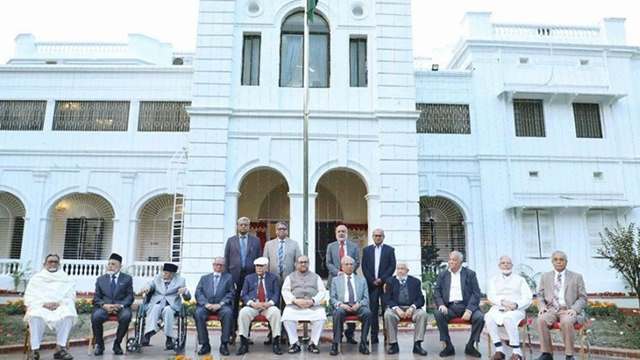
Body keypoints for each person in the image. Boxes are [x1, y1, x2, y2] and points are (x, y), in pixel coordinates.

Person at [535, 251, 587, 360]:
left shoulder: (576, 277)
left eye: (561, 259)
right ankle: (547, 354)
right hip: (551, 309)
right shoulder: (545, 276)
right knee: (541, 320)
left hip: (568, 309)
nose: (558, 262)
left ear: (566, 262)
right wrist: (542, 307)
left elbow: (583, 298)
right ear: (552, 262)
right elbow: (539, 295)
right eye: (556, 259)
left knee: (567, 321)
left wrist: (574, 309)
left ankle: (569, 355)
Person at [24, 254, 78, 360]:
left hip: (60, 306)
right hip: (40, 306)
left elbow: (71, 296)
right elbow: (29, 296)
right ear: (44, 264)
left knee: (68, 315)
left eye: (55, 262)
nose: (53, 264)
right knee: (35, 316)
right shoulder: (36, 278)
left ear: (59, 264)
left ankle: (60, 349)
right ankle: (34, 350)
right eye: (50, 261)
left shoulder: (66, 278)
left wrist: (59, 303)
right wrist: (43, 304)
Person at [433, 250, 484, 358]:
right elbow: (437, 291)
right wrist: (441, 304)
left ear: (460, 262)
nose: (451, 262)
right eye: (450, 259)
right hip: (449, 307)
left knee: (479, 317)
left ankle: (470, 345)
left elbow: (476, 293)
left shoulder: (470, 274)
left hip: (466, 306)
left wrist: (469, 310)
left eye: (454, 260)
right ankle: (448, 346)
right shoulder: (443, 275)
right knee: (438, 314)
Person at [485, 256, 532, 360]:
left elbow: (528, 297)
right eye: (503, 263)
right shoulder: (493, 280)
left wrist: (515, 305)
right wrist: (502, 302)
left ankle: (516, 352)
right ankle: (499, 350)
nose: (506, 265)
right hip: (499, 307)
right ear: (499, 265)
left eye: (508, 263)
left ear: (512, 265)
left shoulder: (520, 280)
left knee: (508, 318)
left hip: (516, 309)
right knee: (488, 317)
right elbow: (491, 296)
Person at [262, 221, 301, 344]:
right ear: (275, 231)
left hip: (288, 280)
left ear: (287, 230)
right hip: (272, 280)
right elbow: (265, 262)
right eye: (279, 229)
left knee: (287, 307)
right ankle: (272, 334)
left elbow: (298, 262)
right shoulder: (269, 244)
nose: (281, 231)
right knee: (272, 306)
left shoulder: (294, 244)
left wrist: (295, 278)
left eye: (284, 229)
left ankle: (285, 334)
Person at [225, 216, 262, 342]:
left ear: (249, 226)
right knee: (233, 306)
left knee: (249, 306)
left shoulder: (255, 241)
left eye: (246, 225)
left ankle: (246, 335)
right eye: (241, 224)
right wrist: (227, 278)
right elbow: (226, 259)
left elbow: (259, 259)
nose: (243, 227)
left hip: (250, 277)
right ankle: (232, 333)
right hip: (234, 278)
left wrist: (257, 277)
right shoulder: (231, 241)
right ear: (237, 226)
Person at [281, 255, 328, 354]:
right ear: (296, 264)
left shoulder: (316, 277)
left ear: (309, 264)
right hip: (295, 305)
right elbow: (285, 291)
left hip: (312, 305)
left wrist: (313, 301)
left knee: (321, 316)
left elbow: (322, 291)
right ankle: (294, 343)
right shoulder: (290, 277)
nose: (303, 264)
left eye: (305, 262)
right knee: (287, 316)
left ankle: (313, 343)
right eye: (301, 262)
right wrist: (295, 300)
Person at [236, 257, 283, 355]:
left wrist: (268, 304)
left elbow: (276, 294)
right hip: (253, 306)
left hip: (268, 306)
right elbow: (244, 294)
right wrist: (252, 303)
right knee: (243, 312)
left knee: (276, 312)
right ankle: (244, 343)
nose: (259, 268)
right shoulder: (248, 278)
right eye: (257, 266)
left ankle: (276, 342)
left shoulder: (273, 278)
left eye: (261, 266)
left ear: (266, 267)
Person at [140, 263, 190, 351]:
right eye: (164, 272)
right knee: (155, 308)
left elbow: (187, 298)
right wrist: (146, 288)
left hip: (171, 305)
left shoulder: (180, 280)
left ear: (172, 274)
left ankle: (169, 338)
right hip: (157, 303)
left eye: (166, 273)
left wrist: (185, 292)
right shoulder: (157, 278)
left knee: (168, 311)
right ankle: (148, 334)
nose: (164, 274)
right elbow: (150, 285)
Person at [91, 253, 134, 356]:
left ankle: (117, 344)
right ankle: (100, 345)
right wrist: (104, 305)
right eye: (109, 264)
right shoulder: (100, 279)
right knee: (96, 317)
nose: (110, 266)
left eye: (113, 264)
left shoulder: (127, 279)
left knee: (126, 316)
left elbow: (130, 297)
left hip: (121, 307)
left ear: (120, 266)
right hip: (104, 307)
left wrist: (121, 305)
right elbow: (96, 298)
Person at [383, 262, 428, 356]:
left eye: (402, 269)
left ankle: (417, 344)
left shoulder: (415, 281)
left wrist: (412, 307)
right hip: (396, 308)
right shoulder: (390, 281)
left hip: (411, 308)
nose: (400, 271)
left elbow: (420, 299)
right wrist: (396, 309)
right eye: (398, 269)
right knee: (388, 315)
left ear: (407, 271)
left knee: (422, 314)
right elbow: (387, 298)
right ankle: (393, 344)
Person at [329, 256, 371, 356]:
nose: (349, 266)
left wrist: (359, 304)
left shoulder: (361, 280)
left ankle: (364, 343)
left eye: (351, 264)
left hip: (358, 305)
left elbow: (366, 298)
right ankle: (336, 343)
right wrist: (341, 305)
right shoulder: (335, 280)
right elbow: (332, 298)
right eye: (346, 264)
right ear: (342, 267)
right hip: (343, 305)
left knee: (368, 313)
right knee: (338, 313)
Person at [325, 224, 360, 343]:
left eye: (343, 231)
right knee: (337, 308)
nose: (341, 233)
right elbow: (328, 263)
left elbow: (357, 262)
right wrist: (338, 272)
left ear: (347, 233)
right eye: (339, 231)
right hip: (335, 280)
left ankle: (350, 334)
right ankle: (338, 335)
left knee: (351, 302)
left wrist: (347, 271)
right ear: (336, 233)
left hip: (350, 280)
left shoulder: (354, 246)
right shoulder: (331, 246)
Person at [194, 257, 235, 356]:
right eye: (216, 264)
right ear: (213, 265)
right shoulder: (204, 278)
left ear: (224, 267)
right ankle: (205, 344)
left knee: (228, 313)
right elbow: (198, 293)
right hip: (206, 305)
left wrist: (220, 304)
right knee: (198, 313)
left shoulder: (228, 277)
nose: (218, 266)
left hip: (221, 306)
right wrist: (206, 304)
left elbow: (231, 293)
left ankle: (224, 344)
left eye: (221, 265)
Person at [361, 228, 396, 343]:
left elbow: (392, 266)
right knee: (373, 311)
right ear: (372, 237)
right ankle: (374, 336)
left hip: (385, 285)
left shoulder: (389, 250)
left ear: (383, 237)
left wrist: (382, 279)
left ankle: (387, 336)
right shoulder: (366, 250)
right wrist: (372, 280)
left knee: (386, 311)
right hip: (372, 285)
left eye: (380, 236)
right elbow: (364, 267)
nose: (378, 237)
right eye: (375, 235)